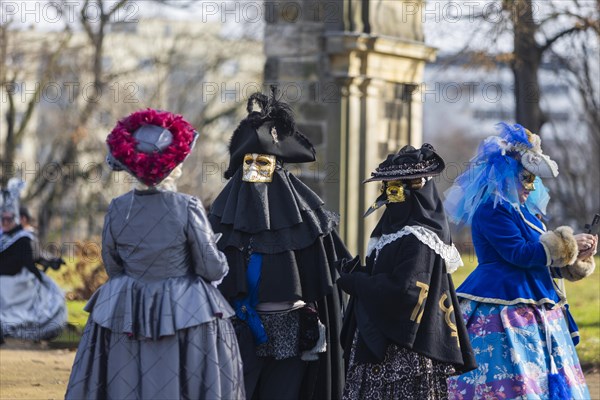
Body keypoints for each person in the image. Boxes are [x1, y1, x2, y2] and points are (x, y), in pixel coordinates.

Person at [65, 109, 245, 399]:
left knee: (125, 381)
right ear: (173, 165)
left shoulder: (117, 207)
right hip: (187, 311)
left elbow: (113, 265)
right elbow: (211, 269)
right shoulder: (187, 206)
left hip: (125, 310)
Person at [209, 89, 351, 400]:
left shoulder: (307, 216)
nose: (258, 171)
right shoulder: (221, 217)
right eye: (251, 163)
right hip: (236, 333)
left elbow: (334, 276)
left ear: (279, 165)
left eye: (266, 163)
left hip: (292, 333)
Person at [444, 123, 596, 399]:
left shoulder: (526, 212)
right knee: (513, 382)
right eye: (525, 177)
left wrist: (575, 255)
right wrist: (568, 243)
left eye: (533, 179)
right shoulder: (491, 211)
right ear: (506, 174)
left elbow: (542, 258)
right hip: (501, 305)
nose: (531, 185)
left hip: (539, 304)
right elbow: (520, 254)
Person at [336, 144, 477, 400]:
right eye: (386, 189)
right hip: (381, 341)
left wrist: (357, 282)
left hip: (403, 352)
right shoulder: (388, 234)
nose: (389, 198)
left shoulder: (419, 237)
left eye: (395, 190)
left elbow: (406, 291)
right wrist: (358, 274)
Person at [0, 179, 67, 342]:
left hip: (15, 281)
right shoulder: (4, 237)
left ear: (16, 219)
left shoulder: (23, 238)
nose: (5, 223)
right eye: (3, 219)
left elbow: (31, 259)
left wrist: (44, 272)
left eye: (9, 219)